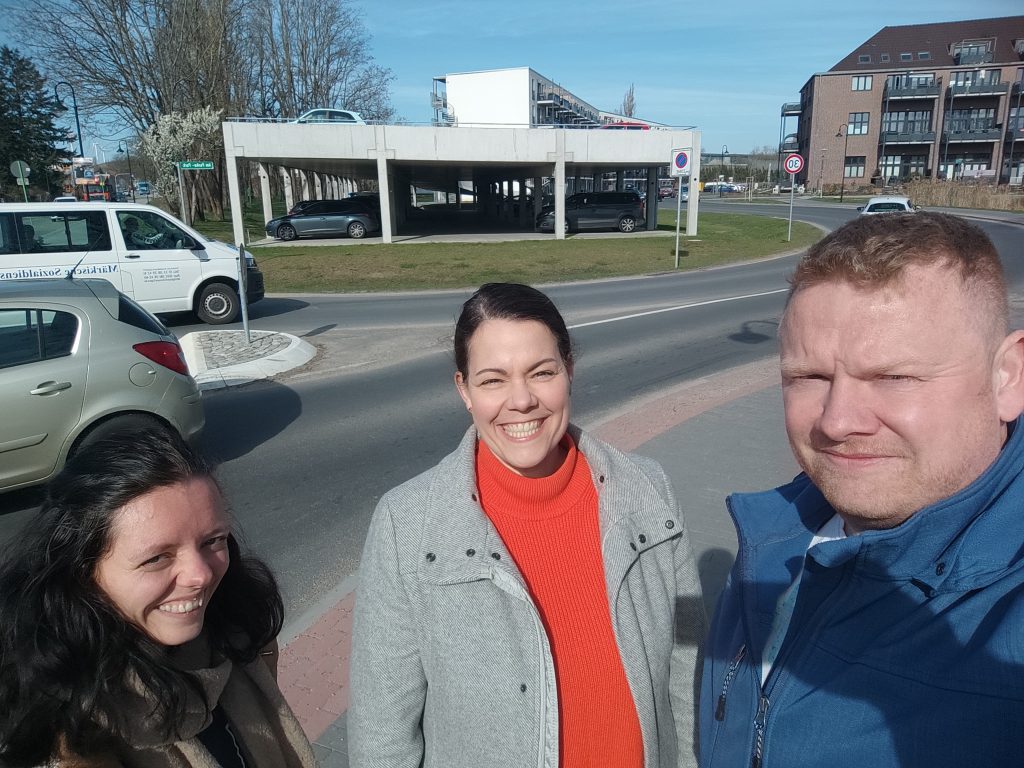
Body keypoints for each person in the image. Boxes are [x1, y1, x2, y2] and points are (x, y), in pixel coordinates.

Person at [700, 212, 1024, 767]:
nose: (837, 421)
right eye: (810, 378)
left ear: (1008, 377)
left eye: (893, 378)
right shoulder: (771, 541)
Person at [350, 283, 706, 768]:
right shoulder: (406, 525)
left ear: (569, 372)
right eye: (493, 380)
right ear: (464, 391)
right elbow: (381, 736)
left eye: (542, 373)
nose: (521, 401)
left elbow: (689, 674)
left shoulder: (647, 490)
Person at [0, 426, 317, 768]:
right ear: (81, 571)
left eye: (213, 540)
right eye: (156, 558)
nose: (202, 575)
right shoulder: (62, 728)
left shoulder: (237, 633)